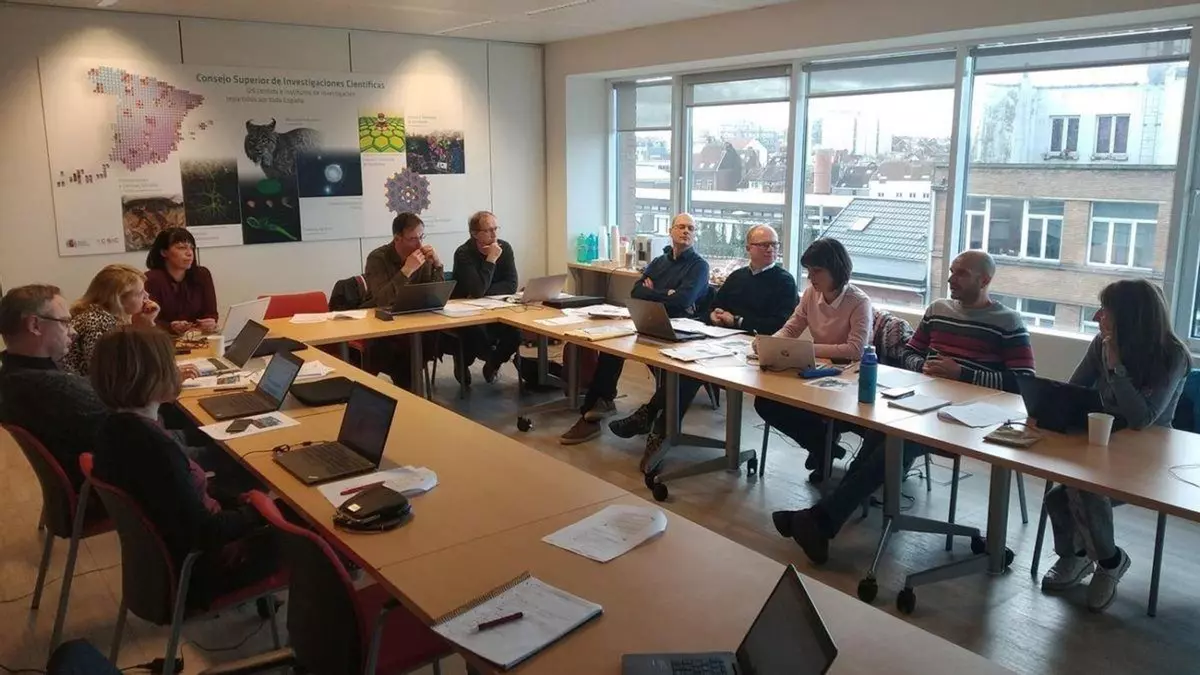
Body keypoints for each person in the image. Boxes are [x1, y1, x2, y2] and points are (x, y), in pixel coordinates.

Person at [772, 251, 1036, 564]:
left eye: (961, 274)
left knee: (894, 445)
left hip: (975, 417)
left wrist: (963, 373)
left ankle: (821, 519)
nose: (950, 279)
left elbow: (1022, 382)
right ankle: (822, 519)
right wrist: (923, 366)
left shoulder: (1007, 321)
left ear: (985, 280)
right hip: (927, 402)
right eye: (951, 271)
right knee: (880, 433)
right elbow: (909, 353)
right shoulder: (938, 310)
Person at [89, 325, 282, 610]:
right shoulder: (155, 449)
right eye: (170, 363)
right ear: (152, 376)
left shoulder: (114, 428)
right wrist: (259, 509)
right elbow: (205, 531)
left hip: (162, 566)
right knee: (312, 529)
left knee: (253, 491)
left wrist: (237, 501)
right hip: (202, 571)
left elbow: (181, 495)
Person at [1041, 279, 1190, 612]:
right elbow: (1074, 388)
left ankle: (1110, 563)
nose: (1097, 317)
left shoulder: (1172, 354)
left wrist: (1116, 368)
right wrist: (1047, 405)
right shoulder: (1102, 343)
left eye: (1105, 310)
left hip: (1150, 459)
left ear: (1129, 316)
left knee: (1083, 491)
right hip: (1105, 444)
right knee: (1057, 498)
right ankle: (1077, 557)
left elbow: (1141, 419)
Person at [608, 225, 798, 471]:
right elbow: (712, 306)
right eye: (764, 245)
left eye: (774, 244)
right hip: (721, 341)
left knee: (689, 373)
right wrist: (714, 316)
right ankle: (657, 425)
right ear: (748, 248)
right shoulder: (738, 276)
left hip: (754, 348)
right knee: (686, 366)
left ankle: (656, 426)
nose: (770, 249)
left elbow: (779, 325)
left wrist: (737, 321)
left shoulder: (784, 281)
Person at [559, 213, 710, 446]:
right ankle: (597, 405)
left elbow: (683, 300)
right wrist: (666, 293)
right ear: (670, 231)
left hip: (680, 331)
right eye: (681, 227)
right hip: (649, 322)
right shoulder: (660, 262)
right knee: (612, 344)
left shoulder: (699, 266)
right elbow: (636, 291)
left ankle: (652, 420)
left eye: (691, 228)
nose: (686, 231)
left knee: (666, 363)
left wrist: (655, 292)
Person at [753, 238, 872, 483]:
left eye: (817, 271)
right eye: (809, 271)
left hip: (848, 378)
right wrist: (771, 343)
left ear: (835, 270)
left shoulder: (859, 302)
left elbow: (855, 349)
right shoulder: (810, 294)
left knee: (816, 410)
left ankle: (823, 449)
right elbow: (791, 328)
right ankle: (823, 448)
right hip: (817, 372)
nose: (810, 277)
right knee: (765, 402)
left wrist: (808, 349)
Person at [0, 285, 105, 490]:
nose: (73, 331)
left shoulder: (10, 378)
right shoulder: (56, 388)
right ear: (35, 325)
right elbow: (130, 430)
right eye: (65, 322)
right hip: (97, 488)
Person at [362, 212, 444, 391]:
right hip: (382, 326)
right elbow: (382, 299)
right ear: (397, 239)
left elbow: (435, 295)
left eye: (421, 237)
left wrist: (437, 266)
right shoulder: (377, 258)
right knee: (401, 353)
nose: (419, 244)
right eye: (413, 239)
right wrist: (406, 271)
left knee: (434, 336)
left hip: (412, 321)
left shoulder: (422, 257)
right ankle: (408, 391)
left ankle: (411, 390)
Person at [449, 210, 520, 384]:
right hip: (467, 314)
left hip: (498, 308)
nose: (494, 235)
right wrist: (491, 259)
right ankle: (462, 361)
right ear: (474, 234)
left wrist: (482, 291)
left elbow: (511, 285)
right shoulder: (463, 253)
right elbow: (477, 290)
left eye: (496, 229)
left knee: (516, 333)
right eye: (488, 230)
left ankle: (493, 363)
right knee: (476, 333)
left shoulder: (505, 248)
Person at [62, 264, 160, 375]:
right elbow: (110, 371)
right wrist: (144, 327)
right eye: (140, 293)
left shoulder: (106, 316)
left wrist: (143, 324)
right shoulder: (97, 322)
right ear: (119, 299)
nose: (147, 295)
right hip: (84, 384)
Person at [144, 227, 218, 335]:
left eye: (191, 248)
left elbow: (211, 313)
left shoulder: (202, 274)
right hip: (165, 339)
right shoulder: (151, 279)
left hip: (198, 336)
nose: (189, 253)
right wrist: (169, 326)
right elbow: (147, 321)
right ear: (164, 252)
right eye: (181, 248)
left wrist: (210, 322)